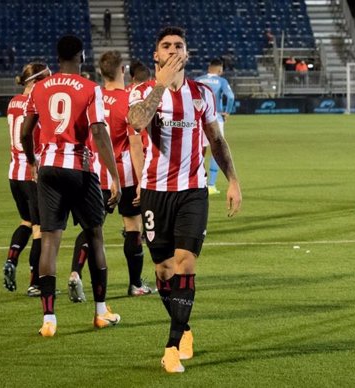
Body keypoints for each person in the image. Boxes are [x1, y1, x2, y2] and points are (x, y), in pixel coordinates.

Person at [127, 26, 242, 373]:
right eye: (166, 46)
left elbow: (217, 141)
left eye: (179, 45)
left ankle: (173, 345)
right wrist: (161, 82)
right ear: (156, 55)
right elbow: (136, 122)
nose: (174, 50)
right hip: (154, 191)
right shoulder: (143, 91)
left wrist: (234, 180)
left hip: (193, 190)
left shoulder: (202, 94)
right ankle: (185, 325)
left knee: (186, 264)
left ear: (188, 54)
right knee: (163, 271)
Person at [20, 35, 122, 337]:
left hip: (49, 167)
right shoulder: (91, 89)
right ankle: (101, 312)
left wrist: (32, 160)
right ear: (82, 54)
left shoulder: (38, 88)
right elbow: (99, 133)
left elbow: (26, 131)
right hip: (79, 166)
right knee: (95, 236)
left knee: (49, 241)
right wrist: (114, 177)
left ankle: (49, 319)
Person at [67, 50, 151, 303]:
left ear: (101, 72)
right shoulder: (128, 101)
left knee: (92, 228)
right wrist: (141, 182)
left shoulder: (91, 96)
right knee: (133, 226)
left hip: (92, 173)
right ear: (122, 70)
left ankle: (74, 273)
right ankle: (135, 284)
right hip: (123, 173)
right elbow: (135, 145)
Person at [3, 61, 50, 297]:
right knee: (40, 229)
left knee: (26, 221)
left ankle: (12, 258)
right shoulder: (36, 103)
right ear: (38, 81)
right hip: (32, 173)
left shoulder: (13, 102)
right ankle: (35, 283)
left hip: (13, 173)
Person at [196, 58, 235, 195]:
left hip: (198, 118)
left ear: (208, 68)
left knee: (199, 149)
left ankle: (197, 181)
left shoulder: (198, 80)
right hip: (215, 117)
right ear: (220, 70)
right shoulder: (221, 81)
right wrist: (227, 112)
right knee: (216, 148)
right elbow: (230, 96)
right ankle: (211, 185)